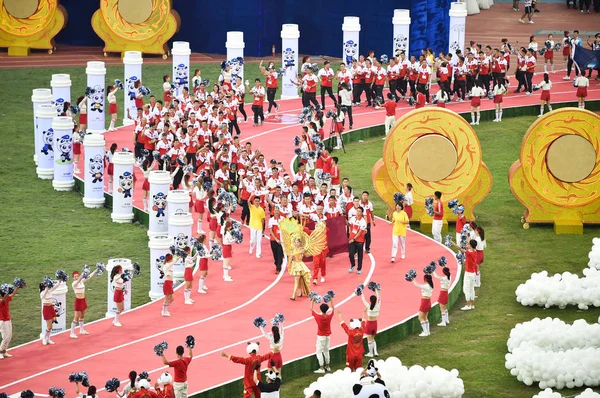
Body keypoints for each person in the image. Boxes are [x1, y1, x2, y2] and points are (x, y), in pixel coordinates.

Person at [70, 268, 99, 338]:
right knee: (76, 317)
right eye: (75, 277)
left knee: (82, 316)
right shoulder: (74, 284)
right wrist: (83, 273)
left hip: (83, 300)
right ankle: (72, 333)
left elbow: (89, 277)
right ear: (73, 278)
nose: (76, 277)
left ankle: (81, 330)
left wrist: (95, 271)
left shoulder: (82, 281)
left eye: (77, 276)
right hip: (78, 301)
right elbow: (79, 279)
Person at [311, 297, 335, 373]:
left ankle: (321, 368)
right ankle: (327, 366)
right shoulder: (329, 316)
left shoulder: (318, 317)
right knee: (326, 350)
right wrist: (331, 298)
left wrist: (312, 300)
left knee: (319, 351)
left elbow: (311, 308)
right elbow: (333, 308)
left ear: (321, 309)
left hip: (321, 336)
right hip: (328, 336)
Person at [454, 239, 478, 310]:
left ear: (471, 246)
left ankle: (468, 305)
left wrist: (452, 242)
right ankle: (472, 305)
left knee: (466, 289)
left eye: (468, 244)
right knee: (471, 289)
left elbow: (459, 249)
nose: (467, 245)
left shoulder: (469, 253)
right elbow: (469, 244)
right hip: (473, 273)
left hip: (468, 274)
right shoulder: (474, 251)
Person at [40, 279, 63, 345]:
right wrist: (47, 287)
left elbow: (55, 287)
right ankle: (44, 338)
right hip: (46, 309)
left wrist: (59, 282)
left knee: (51, 326)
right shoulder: (42, 293)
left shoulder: (49, 291)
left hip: (51, 308)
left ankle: (48, 338)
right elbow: (44, 293)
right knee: (49, 326)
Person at [0, 283, 20, 358]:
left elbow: (12, 295)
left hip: (8, 320)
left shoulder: (7, 297)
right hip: (2, 321)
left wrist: (17, 288)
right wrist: (7, 293)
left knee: (9, 337)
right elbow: (3, 301)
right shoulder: (1, 301)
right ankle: (0, 352)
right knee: (5, 337)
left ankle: (4, 351)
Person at [361, 289, 381, 357]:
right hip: (375, 323)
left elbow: (363, 300)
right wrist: (376, 290)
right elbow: (379, 297)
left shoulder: (368, 306)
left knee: (369, 339)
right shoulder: (378, 306)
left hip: (369, 324)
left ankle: (370, 353)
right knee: (372, 338)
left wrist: (362, 292)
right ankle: (375, 352)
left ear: (370, 300)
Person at [348, 207, 367, 274]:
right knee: (351, 254)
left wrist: (353, 239)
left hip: (359, 241)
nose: (358, 212)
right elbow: (349, 224)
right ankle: (352, 265)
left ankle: (359, 268)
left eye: (359, 211)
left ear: (362, 213)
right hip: (352, 239)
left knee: (360, 255)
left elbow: (360, 232)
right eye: (357, 211)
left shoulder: (363, 222)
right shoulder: (353, 218)